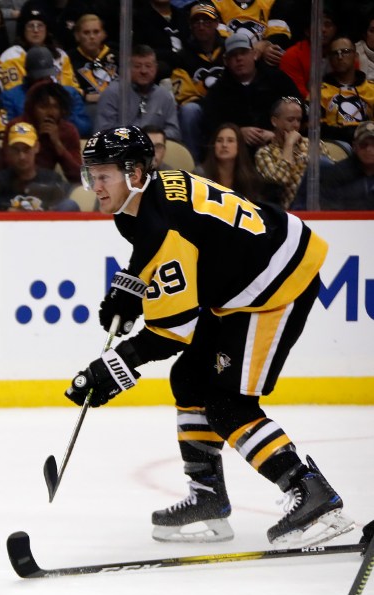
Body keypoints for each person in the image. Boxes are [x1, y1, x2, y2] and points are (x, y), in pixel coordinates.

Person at [66, 125, 353, 548]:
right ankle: (208, 498)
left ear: (136, 173)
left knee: (227, 404)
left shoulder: (158, 224)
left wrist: (114, 367)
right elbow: (156, 244)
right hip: (256, 271)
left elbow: (170, 334)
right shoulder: (150, 194)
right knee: (189, 379)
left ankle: (313, 494)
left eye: (103, 175)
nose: (94, 185)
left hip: (274, 285)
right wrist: (131, 287)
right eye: (91, 174)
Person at [201, 32, 300, 153]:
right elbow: (211, 127)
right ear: (226, 61)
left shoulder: (277, 79)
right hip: (238, 154)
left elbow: (299, 105)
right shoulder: (217, 92)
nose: (239, 59)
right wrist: (237, 132)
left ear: (254, 54)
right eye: (233, 55)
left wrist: (276, 134)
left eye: (243, 52)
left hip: (280, 147)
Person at [169, 2, 225, 162]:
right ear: (191, 26)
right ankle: (193, 163)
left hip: (227, 104)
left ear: (216, 24)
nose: (201, 26)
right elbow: (185, 94)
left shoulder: (227, 50)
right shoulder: (182, 56)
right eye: (197, 22)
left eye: (206, 21)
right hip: (200, 107)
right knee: (189, 111)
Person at [254, 96, 329, 209]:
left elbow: (332, 176)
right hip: (291, 212)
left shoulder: (315, 145)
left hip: (321, 205)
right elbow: (281, 179)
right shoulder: (264, 153)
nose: (295, 125)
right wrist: (289, 144)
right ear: (274, 121)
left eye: (298, 120)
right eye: (290, 120)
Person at [95, 44, 180, 141]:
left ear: (156, 68)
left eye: (148, 66)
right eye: (137, 66)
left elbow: (174, 132)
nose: (144, 71)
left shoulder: (164, 96)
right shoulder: (112, 93)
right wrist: (136, 137)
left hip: (155, 150)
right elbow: (103, 132)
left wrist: (153, 136)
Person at [0, 121, 77, 211]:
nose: (22, 156)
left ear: (37, 147)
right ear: (9, 150)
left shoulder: (52, 180)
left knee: (69, 205)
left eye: (27, 149)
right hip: (12, 224)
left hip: (46, 224)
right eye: (16, 150)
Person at [318, 35, 374, 145]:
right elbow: (314, 128)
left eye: (345, 51)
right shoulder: (320, 92)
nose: (340, 56)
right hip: (334, 148)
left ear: (356, 56)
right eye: (335, 53)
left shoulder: (371, 89)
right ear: (330, 60)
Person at [196, 121, 263, 201]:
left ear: (239, 146)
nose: (224, 145)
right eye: (219, 140)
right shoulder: (199, 175)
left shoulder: (250, 178)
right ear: (214, 146)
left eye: (230, 140)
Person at [320, 120, 374, 210]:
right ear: (354, 146)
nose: (369, 149)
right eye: (363, 144)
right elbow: (327, 208)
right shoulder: (334, 175)